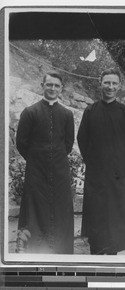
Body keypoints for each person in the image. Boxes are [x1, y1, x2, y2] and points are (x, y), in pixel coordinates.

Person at [77, 68, 125, 255]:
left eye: (114, 83)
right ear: (100, 83)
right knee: (97, 215)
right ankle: (95, 251)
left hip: (117, 175)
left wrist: (118, 160)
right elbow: (82, 139)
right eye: (107, 82)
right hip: (96, 175)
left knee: (116, 216)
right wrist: (94, 163)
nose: (110, 87)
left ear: (119, 86)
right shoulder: (90, 111)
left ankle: (112, 253)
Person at [16, 71, 74, 254]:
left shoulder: (67, 114)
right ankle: (36, 248)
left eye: (57, 86)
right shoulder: (30, 112)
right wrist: (36, 159)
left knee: (61, 209)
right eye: (49, 84)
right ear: (42, 86)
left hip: (60, 171)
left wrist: (54, 159)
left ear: (61, 89)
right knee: (35, 209)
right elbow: (21, 143)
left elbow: (68, 144)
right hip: (36, 171)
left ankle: (60, 249)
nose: (53, 88)